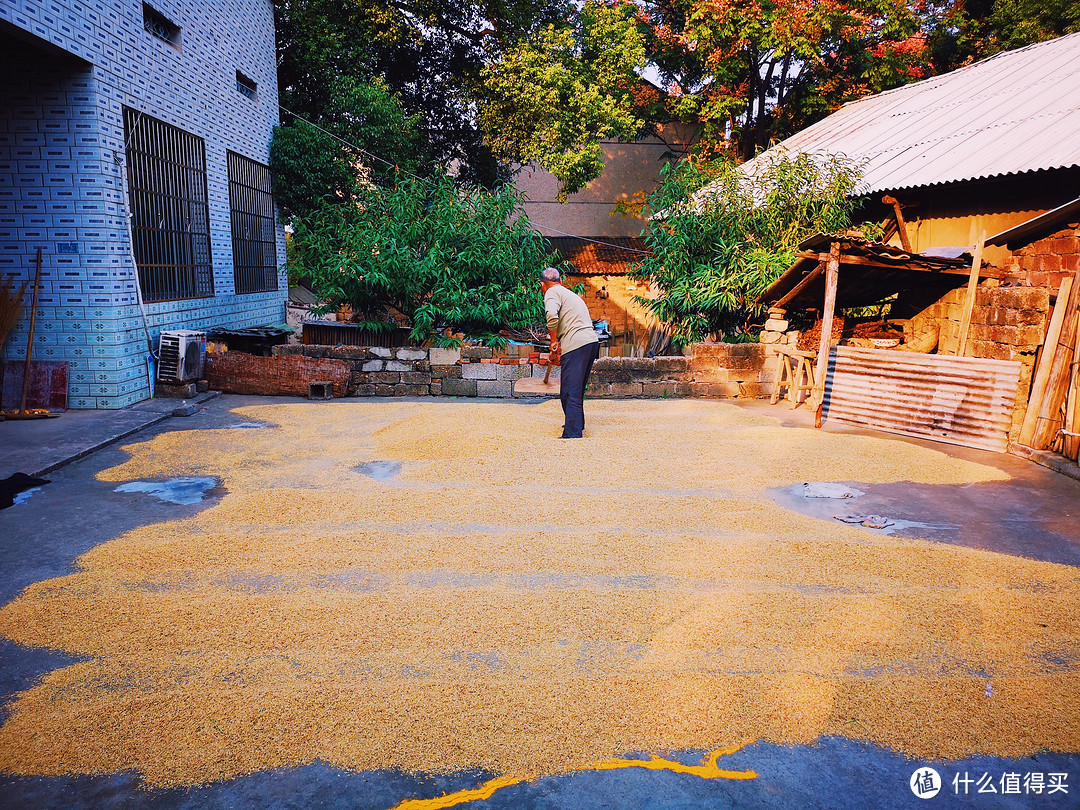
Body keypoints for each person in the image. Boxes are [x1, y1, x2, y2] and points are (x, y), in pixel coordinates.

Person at [540, 266, 599, 439]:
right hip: (589, 342)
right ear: (560, 280)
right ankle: (576, 425)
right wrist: (560, 350)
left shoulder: (551, 292)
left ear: (543, 285)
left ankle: (572, 433)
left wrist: (553, 341)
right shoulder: (570, 294)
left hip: (577, 343)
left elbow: (551, 316)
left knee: (569, 391)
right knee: (575, 389)